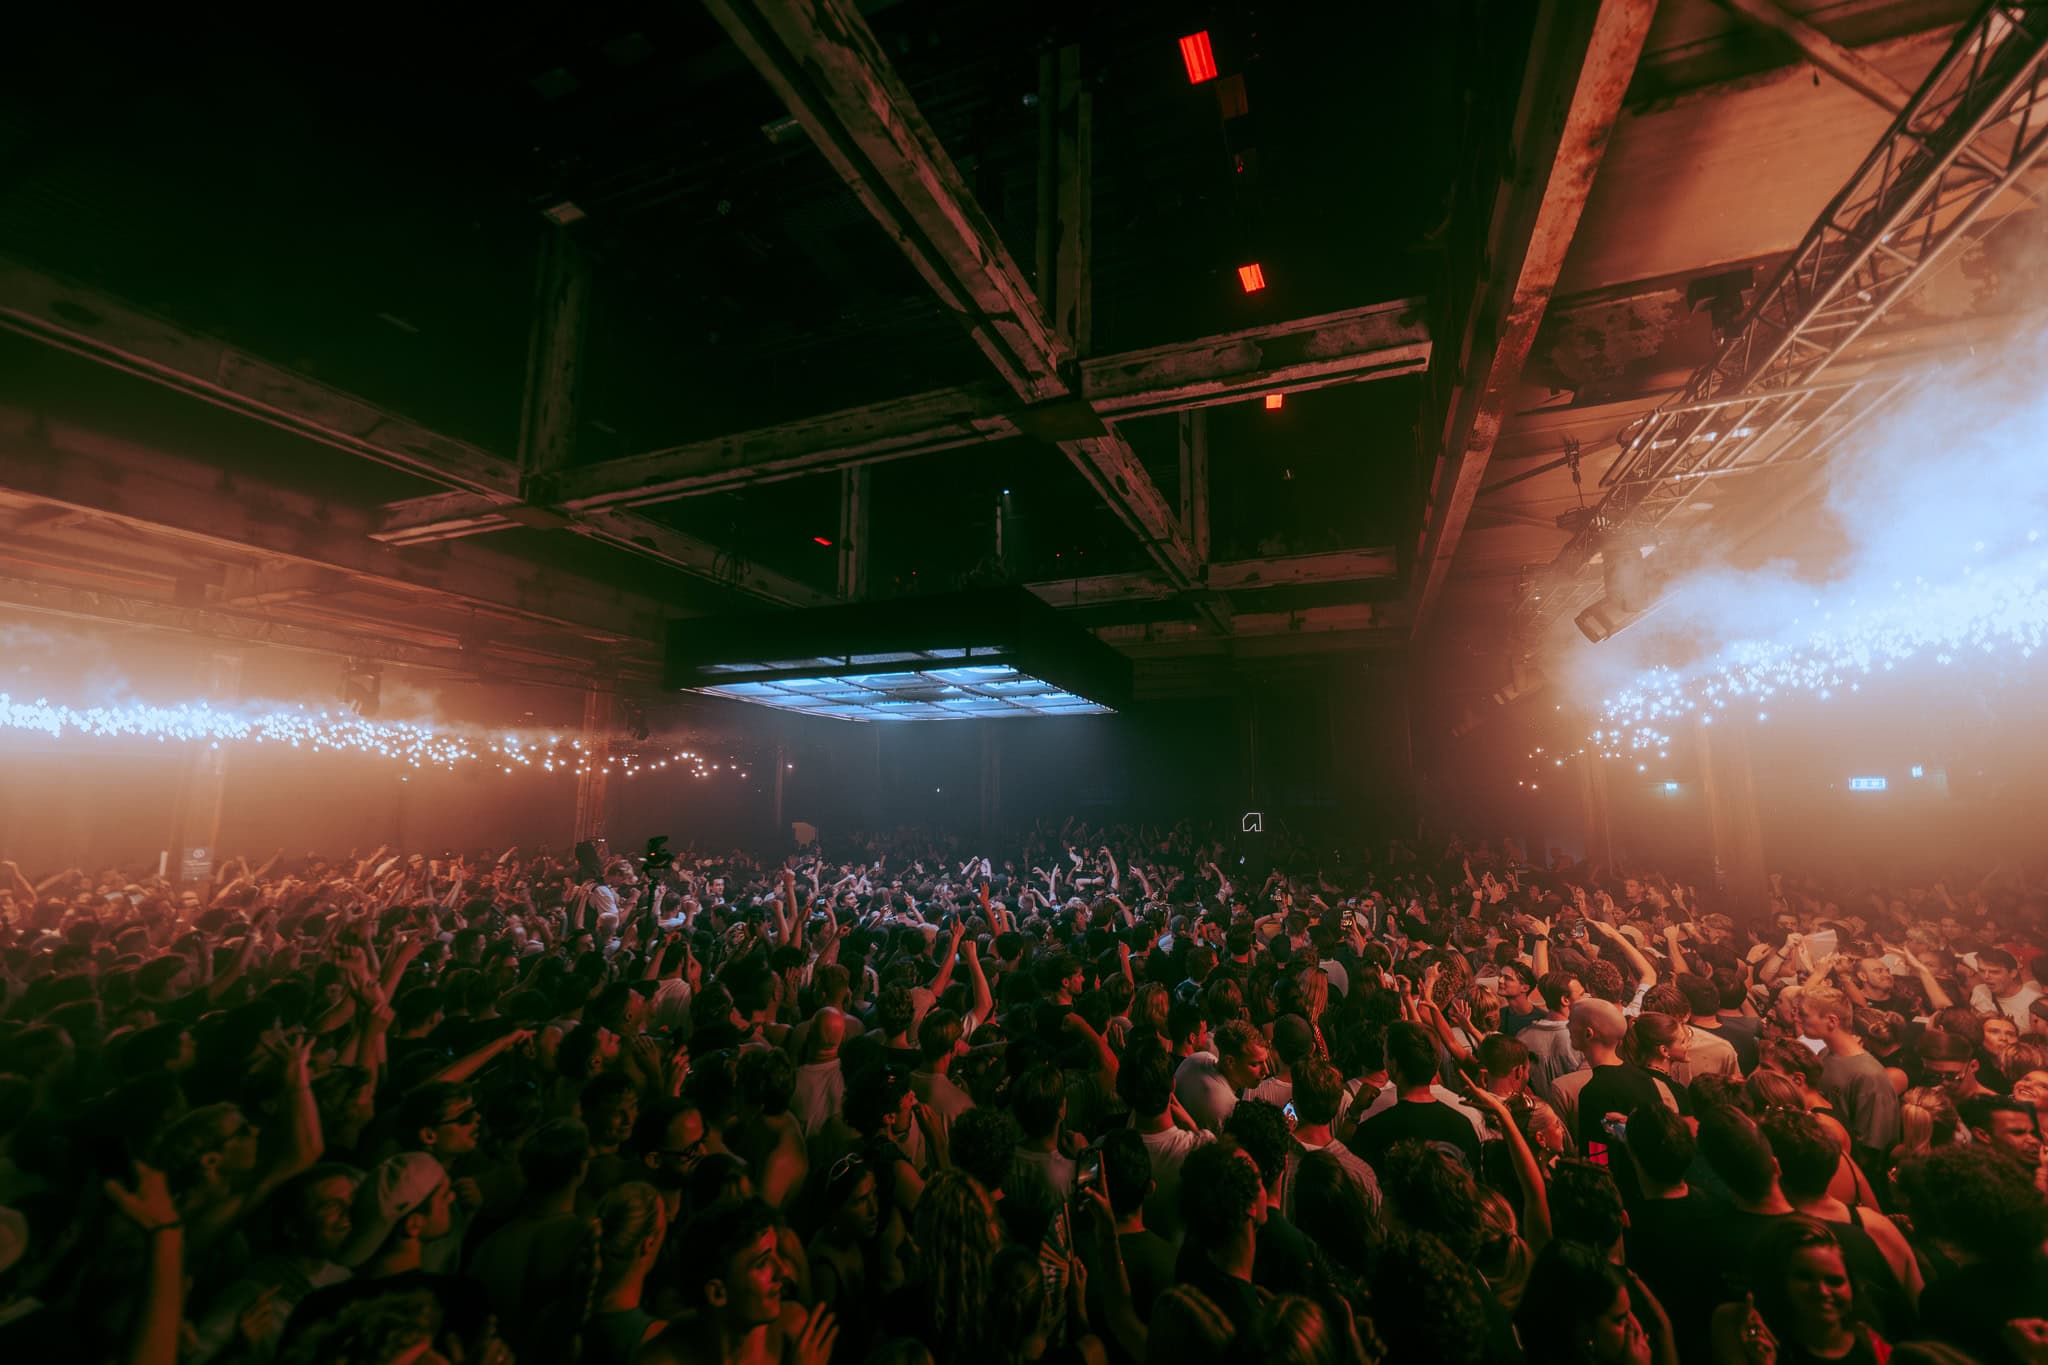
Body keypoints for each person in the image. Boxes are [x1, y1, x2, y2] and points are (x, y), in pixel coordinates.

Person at [1709, 1218, 1887, 1365]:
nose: (1822, 1291)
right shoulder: (1764, 1347)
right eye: (1805, 1278)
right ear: (1780, 1282)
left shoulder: (1873, 1346)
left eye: (1835, 1281)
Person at [1354, 1021, 1483, 1173]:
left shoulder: (1372, 1131)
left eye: (1385, 1054)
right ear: (1435, 1064)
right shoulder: (1463, 1126)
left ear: (1394, 1065)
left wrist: (1353, 1114)